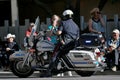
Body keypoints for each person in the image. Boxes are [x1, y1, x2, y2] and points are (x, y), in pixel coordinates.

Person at [43, 9, 80, 77]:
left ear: (65, 16)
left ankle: (49, 72)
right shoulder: (76, 25)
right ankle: (57, 69)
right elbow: (77, 37)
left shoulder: (64, 23)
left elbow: (59, 32)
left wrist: (54, 31)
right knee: (60, 55)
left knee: (55, 55)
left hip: (65, 43)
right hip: (73, 43)